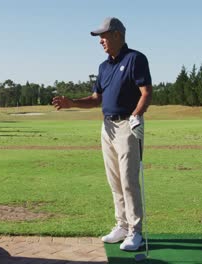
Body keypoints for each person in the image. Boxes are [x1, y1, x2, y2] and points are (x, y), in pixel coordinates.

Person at [52, 17, 152, 251]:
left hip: (128, 124)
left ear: (117, 35)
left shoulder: (135, 59)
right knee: (114, 180)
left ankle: (135, 232)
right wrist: (72, 103)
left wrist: (137, 115)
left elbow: (146, 92)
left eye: (103, 36)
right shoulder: (103, 67)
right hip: (107, 127)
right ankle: (122, 226)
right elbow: (97, 99)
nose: (100, 42)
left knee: (128, 180)